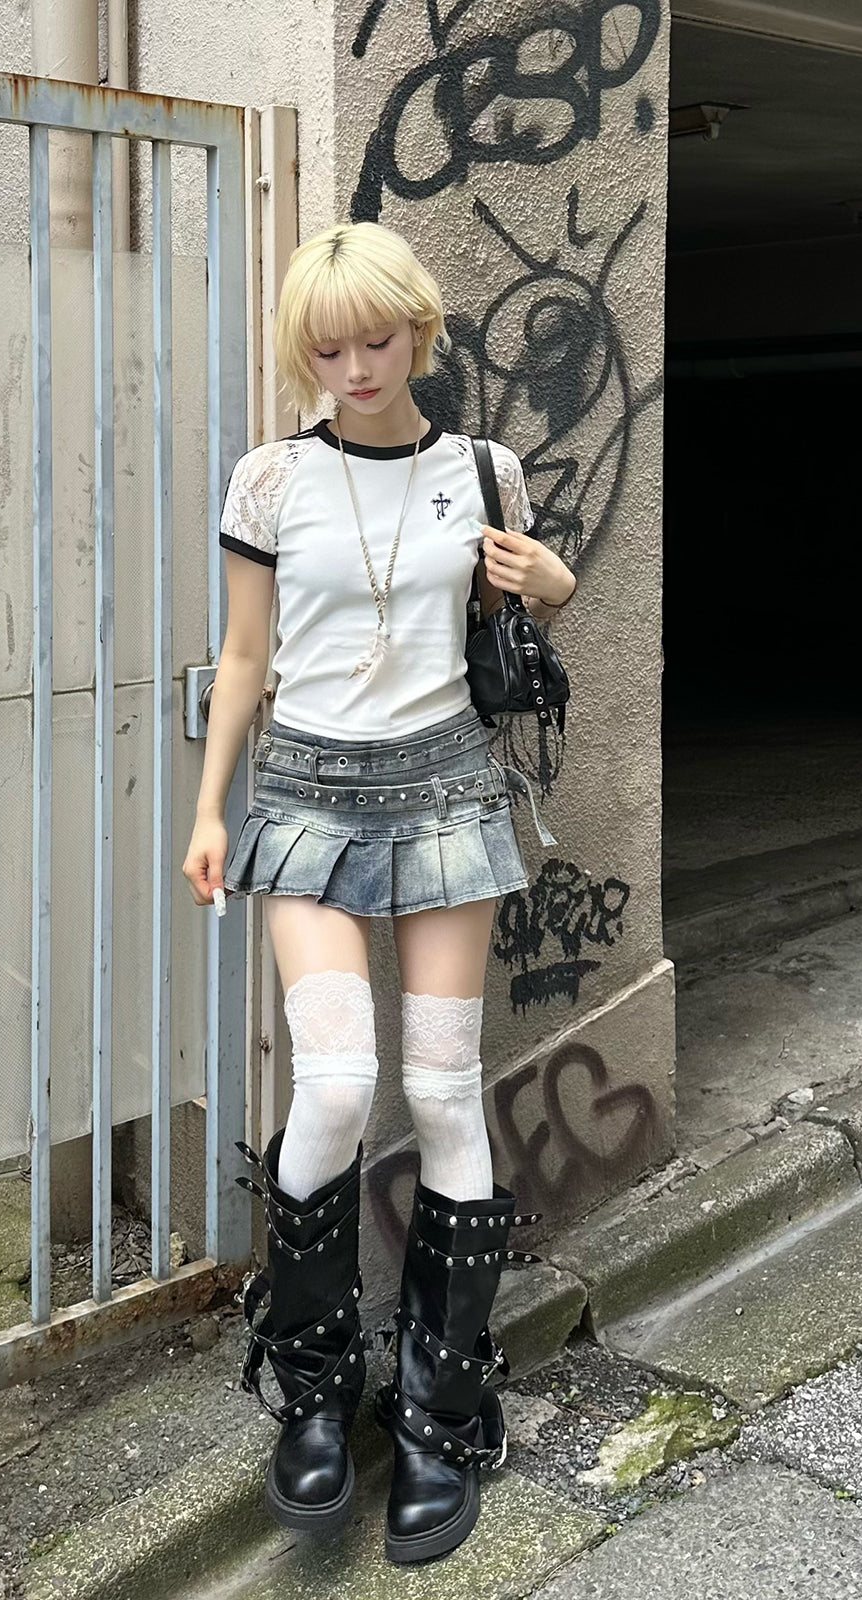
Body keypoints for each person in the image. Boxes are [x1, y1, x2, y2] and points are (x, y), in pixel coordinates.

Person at [181, 219, 577, 1565]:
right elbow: (245, 656)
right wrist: (209, 809)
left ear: (420, 329)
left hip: (447, 794)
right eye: (328, 347)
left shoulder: (484, 471)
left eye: (376, 340)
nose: (354, 367)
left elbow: (519, 620)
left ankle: (440, 1412)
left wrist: (551, 582)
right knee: (339, 1087)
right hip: (304, 798)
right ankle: (311, 1386)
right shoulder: (271, 480)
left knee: (446, 1092)